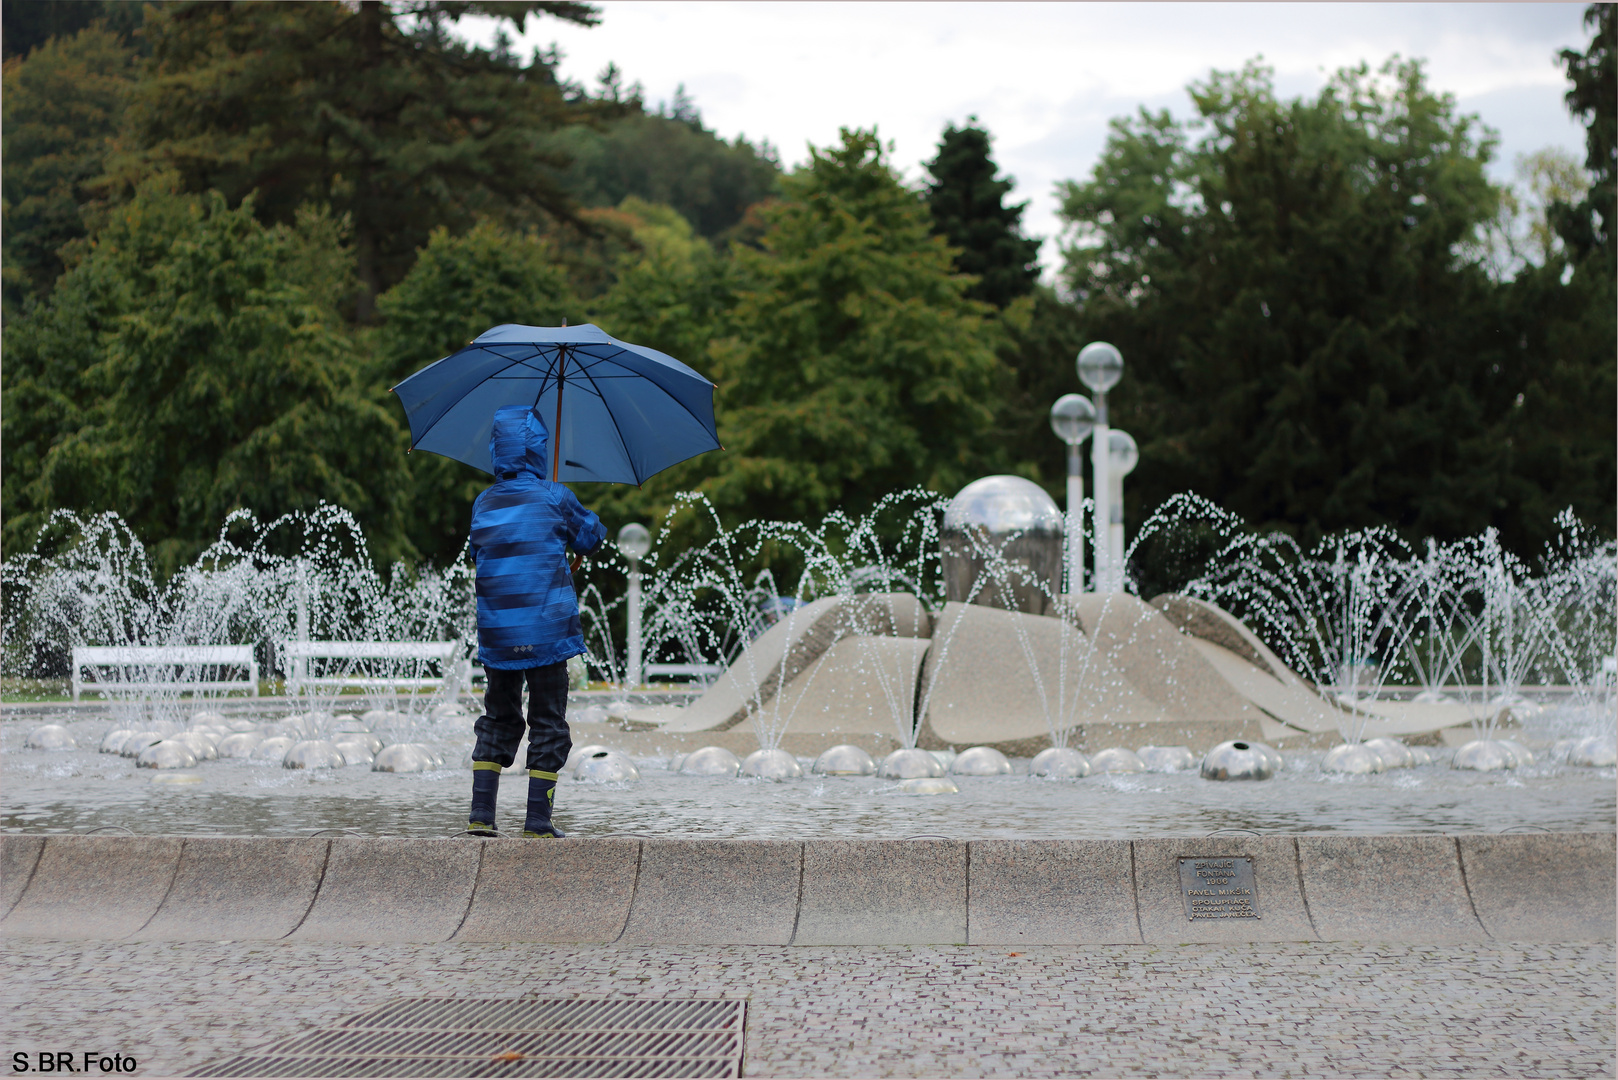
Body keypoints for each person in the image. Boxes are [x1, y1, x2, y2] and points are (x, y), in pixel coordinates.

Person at [466, 405, 606, 838]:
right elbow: (593, 536)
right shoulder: (555, 496)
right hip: (547, 633)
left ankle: (480, 816)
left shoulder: (483, 502)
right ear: (539, 450)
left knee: (498, 717)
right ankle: (538, 820)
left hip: (500, 634)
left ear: (497, 451)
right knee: (548, 719)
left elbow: (479, 553)